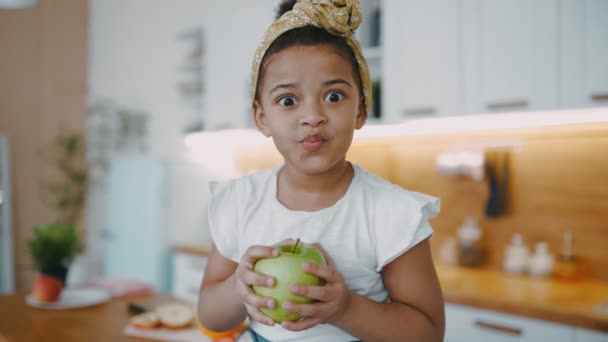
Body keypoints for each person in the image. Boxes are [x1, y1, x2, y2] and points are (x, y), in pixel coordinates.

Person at [197, 0, 445, 341]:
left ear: (361, 109)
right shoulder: (240, 202)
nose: (312, 115)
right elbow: (210, 315)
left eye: (333, 96)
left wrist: (344, 308)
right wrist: (240, 285)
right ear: (261, 117)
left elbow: (428, 333)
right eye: (288, 100)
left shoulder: (390, 212)